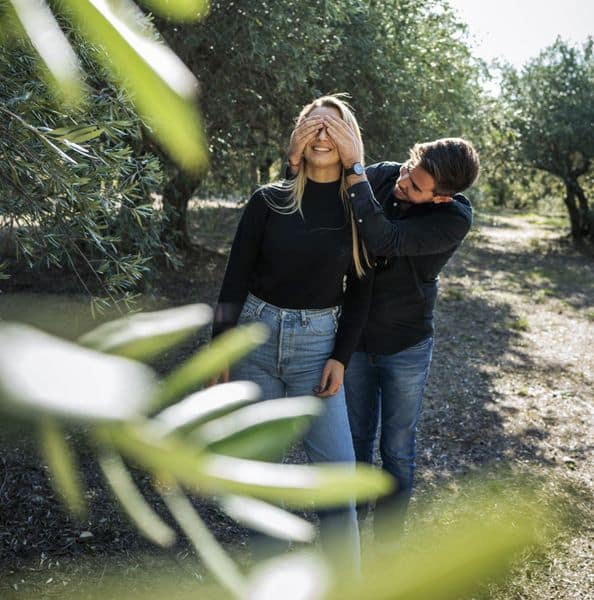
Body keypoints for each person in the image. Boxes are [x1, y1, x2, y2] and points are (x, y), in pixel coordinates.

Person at [289, 129, 480, 542]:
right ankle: (352, 532)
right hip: (354, 340)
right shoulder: (382, 176)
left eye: (416, 186)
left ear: (441, 197)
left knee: (396, 447)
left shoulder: (453, 219)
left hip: (406, 346)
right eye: (410, 167)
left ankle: (389, 542)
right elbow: (329, 186)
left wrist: (357, 176)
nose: (403, 181)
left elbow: (384, 238)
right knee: (354, 440)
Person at [212, 95, 374, 568]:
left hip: (316, 348)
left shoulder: (360, 210)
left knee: (337, 484)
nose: (322, 135)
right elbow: (234, 279)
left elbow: (361, 292)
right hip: (255, 341)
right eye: (313, 126)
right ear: (297, 140)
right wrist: (217, 351)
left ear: (350, 142)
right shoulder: (268, 201)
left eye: (333, 127)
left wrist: (340, 357)